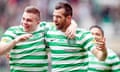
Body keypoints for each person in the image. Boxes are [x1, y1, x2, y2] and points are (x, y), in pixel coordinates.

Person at [0, 6, 77, 72]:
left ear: (38, 22)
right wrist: (15, 41)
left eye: (29, 20)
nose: (24, 22)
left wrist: (73, 27)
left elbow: (67, 22)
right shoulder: (13, 31)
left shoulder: (45, 28)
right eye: (23, 19)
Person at [45, 2, 107, 72]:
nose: (54, 19)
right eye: (54, 16)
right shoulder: (50, 33)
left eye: (58, 17)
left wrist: (103, 49)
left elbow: (101, 57)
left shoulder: (83, 35)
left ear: (68, 18)